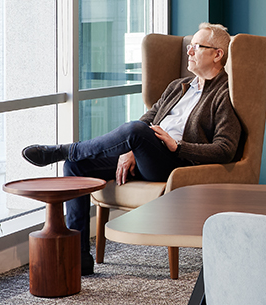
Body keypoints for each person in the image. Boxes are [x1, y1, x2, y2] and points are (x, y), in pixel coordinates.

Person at [21, 23, 243, 275]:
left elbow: (226, 149)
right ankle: (80, 256)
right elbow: (148, 120)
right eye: (189, 46)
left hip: (174, 165)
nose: (189, 52)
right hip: (145, 155)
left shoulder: (225, 94)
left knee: (135, 131)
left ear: (217, 54)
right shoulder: (178, 86)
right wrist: (130, 151)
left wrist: (178, 145)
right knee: (77, 167)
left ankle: (66, 149)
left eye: (196, 47)